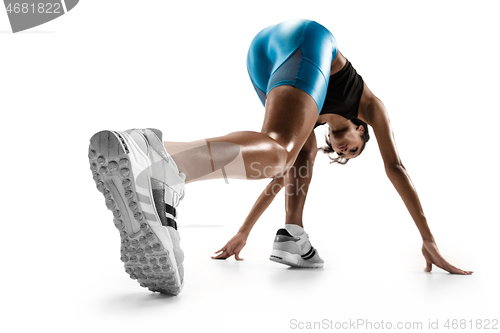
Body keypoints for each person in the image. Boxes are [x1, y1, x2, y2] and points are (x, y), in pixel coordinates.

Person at [88, 19, 472, 296]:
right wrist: (428, 238)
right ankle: (162, 160)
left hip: (264, 56)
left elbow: (277, 182)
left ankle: (292, 236)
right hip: (308, 39)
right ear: (362, 129)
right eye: (354, 146)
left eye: (347, 154)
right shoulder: (371, 106)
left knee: (285, 157)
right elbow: (396, 168)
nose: (346, 149)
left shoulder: (312, 112)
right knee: (282, 149)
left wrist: (243, 232)